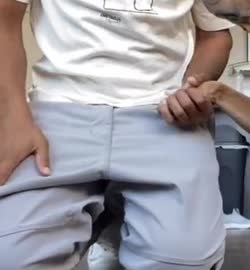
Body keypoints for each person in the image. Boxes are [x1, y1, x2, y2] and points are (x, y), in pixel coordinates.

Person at [0, 0, 233, 269]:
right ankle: (112, 217)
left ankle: (119, 225)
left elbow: (215, 36)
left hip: (161, 111)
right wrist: (14, 119)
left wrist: (189, 90)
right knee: (11, 257)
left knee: (184, 260)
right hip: (58, 107)